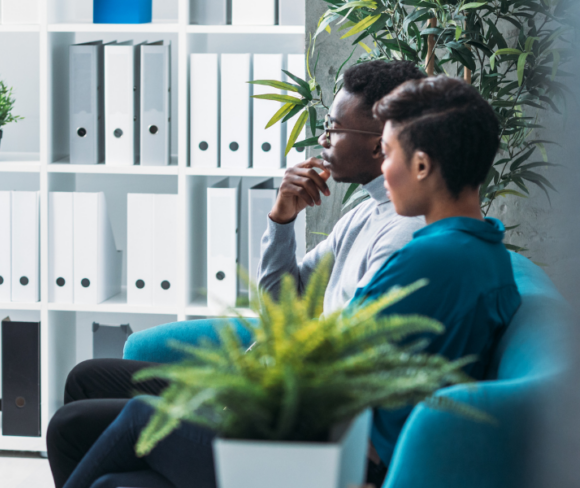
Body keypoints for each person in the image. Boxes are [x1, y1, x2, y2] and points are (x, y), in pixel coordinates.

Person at [59, 76, 521, 488]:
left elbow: (325, 364)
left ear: (421, 166)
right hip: (335, 439)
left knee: (138, 419)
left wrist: (223, 394)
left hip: (336, 457)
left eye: (391, 153)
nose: (384, 167)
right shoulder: (484, 250)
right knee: (116, 465)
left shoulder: (425, 258)